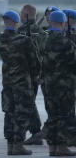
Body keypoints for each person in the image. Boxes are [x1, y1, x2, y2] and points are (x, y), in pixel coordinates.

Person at [0, 9, 40, 156]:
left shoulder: (0, 39)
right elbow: (34, 63)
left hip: (7, 82)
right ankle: (18, 145)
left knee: (9, 112)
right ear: (16, 22)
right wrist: (35, 79)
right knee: (22, 113)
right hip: (22, 82)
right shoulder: (24, 40)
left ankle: (10, 144)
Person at [41, 10, 76, 157]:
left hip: (48, 85)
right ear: (62, 23)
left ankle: (52, 147)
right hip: (64, 86)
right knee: (64, 116)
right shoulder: (66, 42)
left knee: (52, 115)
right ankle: (61, 146)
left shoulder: (43, 40)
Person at [18, 4, 48, 146]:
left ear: (25, 15)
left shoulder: (22, 31)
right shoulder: (42, 33)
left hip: (23, 73)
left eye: (21, 13)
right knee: (30, 101)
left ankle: (35, 132)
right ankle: (35, 131)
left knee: (26, 102)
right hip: (38, 73)